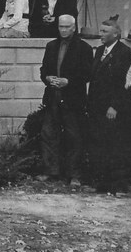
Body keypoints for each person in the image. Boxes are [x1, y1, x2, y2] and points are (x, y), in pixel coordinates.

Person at [37, 14, 93, 185]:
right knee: (48, 134)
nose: (63, 30)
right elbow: (43, 69)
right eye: (61, 26)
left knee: (74, 137)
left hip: (73, 98)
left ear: (74, 28)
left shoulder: (84, 48)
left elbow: (87, 73)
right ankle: (51, 171)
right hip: (53, 97)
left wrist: (68, 81)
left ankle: (74, 174)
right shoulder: (51, 46)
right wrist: (48, 78)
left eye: (67, 27)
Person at [87, 15, 131, 193]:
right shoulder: (100, 50)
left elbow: (124, 83)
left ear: (115, 34)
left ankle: (117, 184)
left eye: (105, 31)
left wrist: (115, 106)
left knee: (114, 144)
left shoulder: (124, 53)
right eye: (101, 31)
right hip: (97, 106)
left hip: (112, 108)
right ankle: (102, 182)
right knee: (99, 143)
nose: (101, 34)